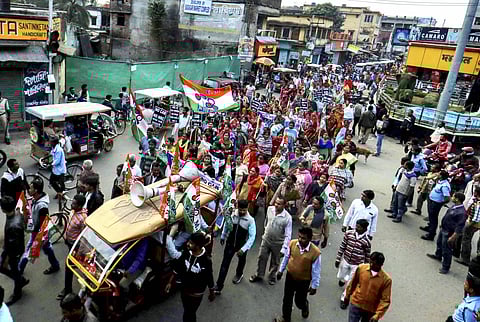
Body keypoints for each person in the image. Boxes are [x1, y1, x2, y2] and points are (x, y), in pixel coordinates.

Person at [165, 229, 215, 322]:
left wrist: (212, 292)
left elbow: (209, 277)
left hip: (196, 294)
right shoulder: (186, 252)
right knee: (187, 310)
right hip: (184, 290)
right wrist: (170, 282)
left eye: (191, 243)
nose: (188, 244)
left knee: (190, 313)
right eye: (189, 241)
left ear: (199, 246)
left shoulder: (206, 261)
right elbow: (178, 267)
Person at [274, 227, 321, 322]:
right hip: (290, 276)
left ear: (310, 239)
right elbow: (287, 257)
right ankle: (286, 318)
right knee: (287, 298)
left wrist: (314, 286)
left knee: (299, 301)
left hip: (303, 281)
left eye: (303, 238)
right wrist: (280, 270)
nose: (300, 239)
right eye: (299, 236)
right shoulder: (292, 243)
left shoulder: (316, 253)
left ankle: (304, 305)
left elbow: (316, 271)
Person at [19, 177, 60, 275]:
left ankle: (19, 269)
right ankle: (55, 265)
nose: (29, 190)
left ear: (36, 190)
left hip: (39, 233)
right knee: (47, 248)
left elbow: (42, 223)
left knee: (29, 250)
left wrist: (37, 237)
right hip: (39, 232)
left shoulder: (42, 206)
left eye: (31, 188)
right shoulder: (36, 199)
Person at [214, 200, 256, 295]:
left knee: (241, 261)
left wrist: (243, 249)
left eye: (244, 210)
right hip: (230, 243)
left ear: (247, 208)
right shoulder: (233, 214)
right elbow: (227, 224)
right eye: (240, 210)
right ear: (237, 207)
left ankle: (239, 274)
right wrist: (223, 236)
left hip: (241, 245)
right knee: (225, 264)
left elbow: (252, 237)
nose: (241, 212)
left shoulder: (250, 220)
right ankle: (219, 286)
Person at [250, 197, 292, 285]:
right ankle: (259, 274)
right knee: (261, 257)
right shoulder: (270, 209)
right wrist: (266, 231)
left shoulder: (288, 218)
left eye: (279, 204)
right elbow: (266, 222)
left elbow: (288, 235)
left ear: (284, 205)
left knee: (275, 261)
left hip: (278, 243)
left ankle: (272, 276)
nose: (276, 205)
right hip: (266, 239)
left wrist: (284, 249)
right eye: (276, 203)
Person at [343, 252, 392, 321]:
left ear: (380, 265)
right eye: (370, 262)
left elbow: (385, 300)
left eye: (374, 264)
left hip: (370, 310)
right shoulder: (361, 268)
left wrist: (377, 315)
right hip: (356, 304)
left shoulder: (386, 280)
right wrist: (347, 296)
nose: (371, 265)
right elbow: (353, 283)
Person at [427, 192, 466, 274]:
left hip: (449, 232)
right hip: (444, 228)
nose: (452, 197)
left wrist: (453, 237)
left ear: (458, 199)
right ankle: (438, 255)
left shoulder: (461, 212)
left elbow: (459, 227)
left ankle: (446, 266)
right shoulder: (454, 206)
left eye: (454, 196)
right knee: (439, 243)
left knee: (447, 250)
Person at [57, 194, 87, 300]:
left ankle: (68, 289)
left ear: (79, 206)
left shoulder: (83, 218)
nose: (72, 204)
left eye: (74, 203)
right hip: (69, 242)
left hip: (76, 246)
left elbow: (84, 237)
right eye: (72, 202)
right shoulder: (73, 211)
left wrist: (79, 252)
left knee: (68, 266)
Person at [336, 219, 371, 308]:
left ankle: (344, 298)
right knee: (341, 276)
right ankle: (343, 280)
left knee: (351, 283)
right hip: (346, 260)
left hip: (357, 264)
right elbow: (343, 246)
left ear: (365, 229)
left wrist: (366, 268)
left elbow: (367, 255)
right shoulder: (348, 234)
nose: (357, 228)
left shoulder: (366, 241)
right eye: (356, 226)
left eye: (359, 227)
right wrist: (338, 258)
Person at [0, 196, 29, 306]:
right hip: (13, 247)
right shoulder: (17, 214)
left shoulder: (12, 225)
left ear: (3, 209)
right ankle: (20, 280)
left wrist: (7, 258)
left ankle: (18, 291)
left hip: (13, 251)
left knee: (11, 269)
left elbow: (12, 246)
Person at [420, 170, 451, 241]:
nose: (437, 175)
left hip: (436, 203)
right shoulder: (440, 181)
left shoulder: (445, 186)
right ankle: (429, 227)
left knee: (433, 218)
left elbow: (447, 198)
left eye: (439, 174)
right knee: (431, 216)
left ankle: (431, 234)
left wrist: (440, 203)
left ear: (442, 176)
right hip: (432, 201)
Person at [457, 188, 480, 267]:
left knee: (466, 240)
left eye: (475, 192)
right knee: (466, 239)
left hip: (472, 224)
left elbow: (476, 217)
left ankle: (465, 258)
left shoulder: (478, 203)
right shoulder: (476, 201)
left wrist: (469, 224)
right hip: (473, 223)